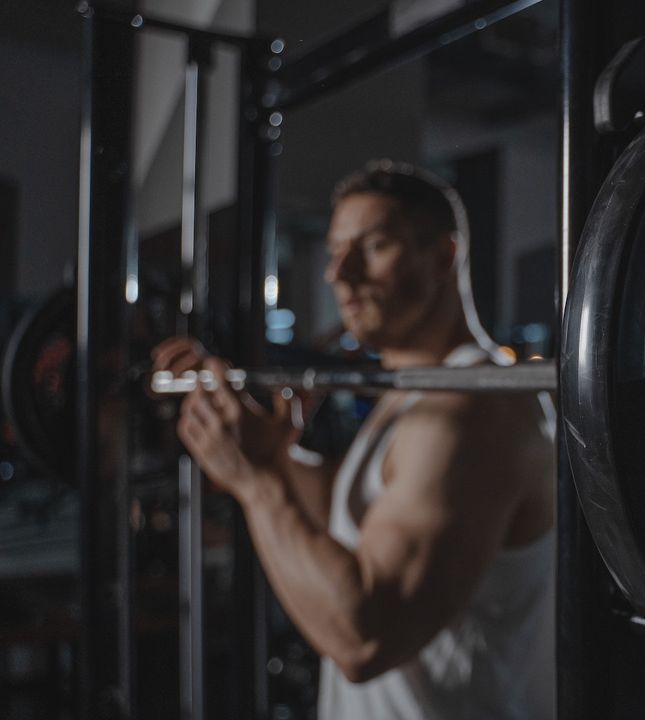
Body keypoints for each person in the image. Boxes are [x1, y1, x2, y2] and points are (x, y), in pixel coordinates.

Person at [152, 161, 556, 720]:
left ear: (442, 257)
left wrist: (259, 482)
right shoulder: (412, 388)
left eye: (375, 246)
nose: (339, 274)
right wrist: (260, 448)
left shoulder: (472, 407)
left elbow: (365, 638)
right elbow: (356, 520)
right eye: (335, 250)